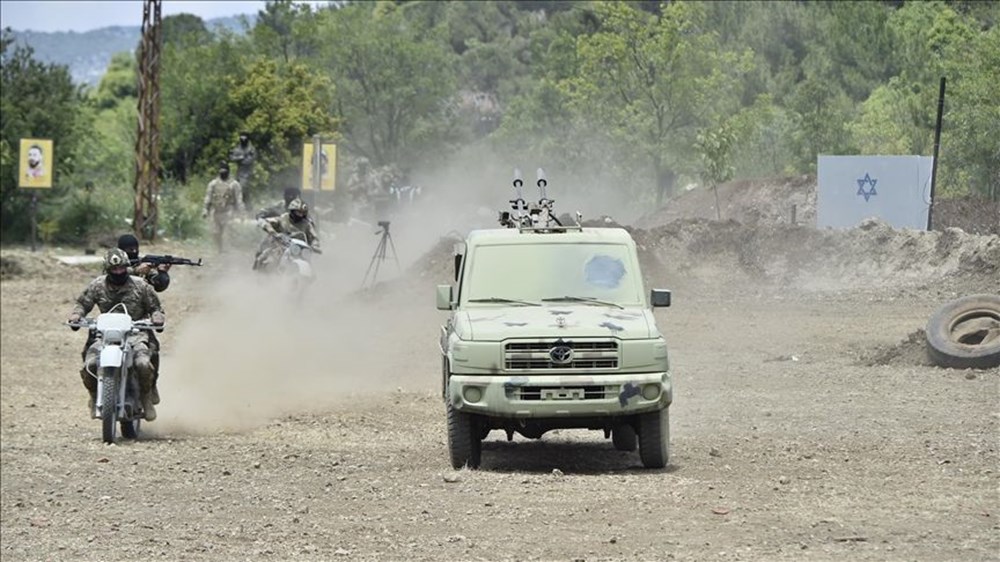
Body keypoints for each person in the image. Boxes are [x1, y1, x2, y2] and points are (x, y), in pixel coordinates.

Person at [67, 248, 165, 420]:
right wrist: (77, 315)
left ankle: (146, 397)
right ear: (107, 269)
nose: (118, 272)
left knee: (143, 363)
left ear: (126, 267)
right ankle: (94, 396)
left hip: (136, 333)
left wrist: (157, 317)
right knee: (89, 364)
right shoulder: (98, 285)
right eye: (114, 269)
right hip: (105, 334)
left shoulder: (141, 285)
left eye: (121, 268)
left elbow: (155, 308)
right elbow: (82, 304)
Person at [254, 198, 321, 271]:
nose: (300, 215)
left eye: (302, 213)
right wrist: (275, 233)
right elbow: (265, 222)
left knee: (311, 267)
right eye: (298, 212)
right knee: (269, 260)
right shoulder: (283, 219)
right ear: (292, 211)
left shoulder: (307, 224)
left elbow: (314, 236)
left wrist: (315, 245)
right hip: (281, 246)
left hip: (299, 250)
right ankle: (264, 273)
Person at [203, 162, 245, 253]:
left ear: (228, 172)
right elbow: (208, 197)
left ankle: (229, 251)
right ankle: (220, 249)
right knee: (215, 232)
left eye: (224, 171)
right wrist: (205, 209)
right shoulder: (213, 184)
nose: (223, 173)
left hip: (228, 211)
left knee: (228, 232)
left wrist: (241, 213)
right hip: (216, 211)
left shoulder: (234, 184)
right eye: (221, 171)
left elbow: (239, 199)